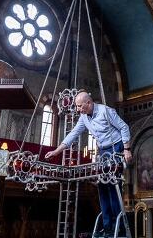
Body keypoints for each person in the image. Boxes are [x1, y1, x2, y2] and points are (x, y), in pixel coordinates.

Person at [45, 91, 132, 237]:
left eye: (80, 106)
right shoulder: (84, 117)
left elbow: (124, 127)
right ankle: (108, 227)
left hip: (116, 146)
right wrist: (56, 151)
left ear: (89, 103)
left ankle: (119, 227)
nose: (78, 109)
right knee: (102, 186)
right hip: (102, 150)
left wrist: (127, 149)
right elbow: (73, 134)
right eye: (77, 106)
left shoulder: (105, 111)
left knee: (113, 186)